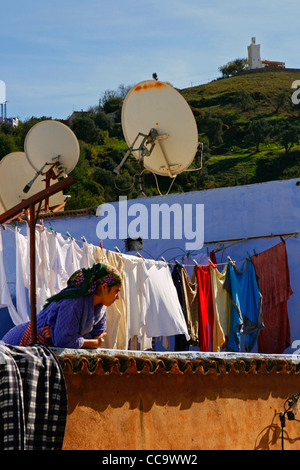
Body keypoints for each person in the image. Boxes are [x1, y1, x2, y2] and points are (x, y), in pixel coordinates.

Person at [1, 263, 122, 349]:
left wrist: (56, 333)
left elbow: (96, 335)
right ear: (104, 287)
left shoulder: (101, 308)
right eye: (116, 291)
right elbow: (65, 341)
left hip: (45, 351)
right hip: (21, 343)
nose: (117, 297)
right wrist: (93, 342)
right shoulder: (74, 302)